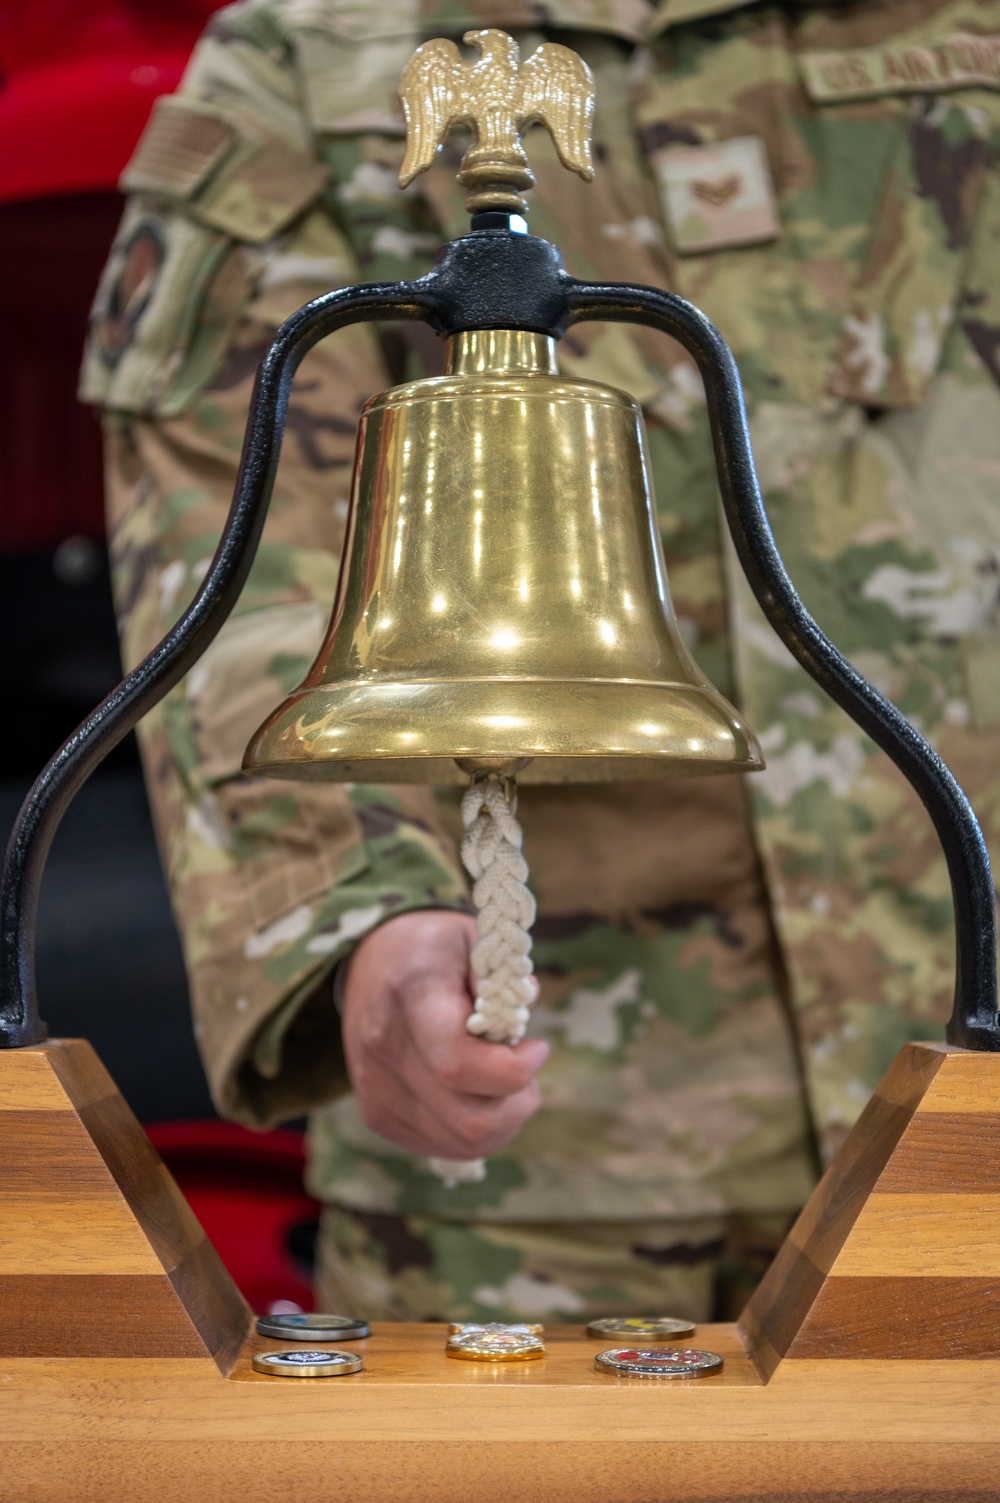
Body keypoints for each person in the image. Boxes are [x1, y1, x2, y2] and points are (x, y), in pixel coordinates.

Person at [81, 0, 1000, 1323]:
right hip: (532, 1171)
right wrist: (362, 922)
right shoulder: (314, 48)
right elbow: (239, 562)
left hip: (971, 1076)